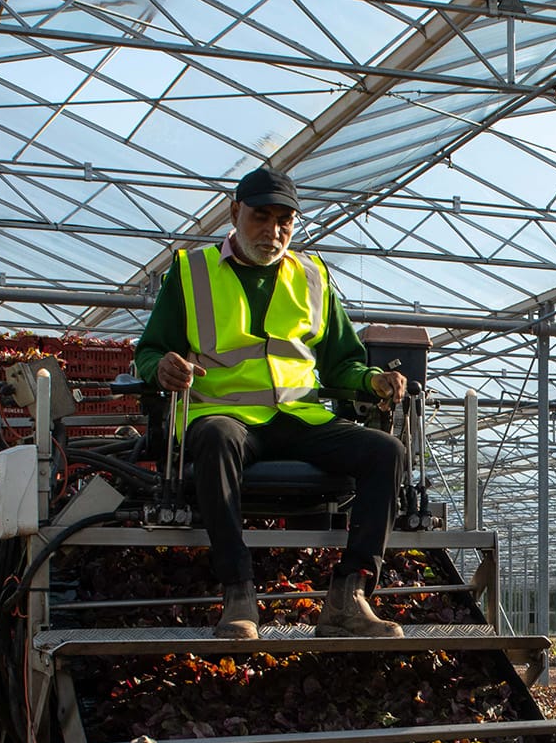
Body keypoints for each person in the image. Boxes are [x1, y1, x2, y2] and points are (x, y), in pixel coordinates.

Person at [134, 164, 410, 640]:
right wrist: (162, 368)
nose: (274, 230)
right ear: (235, 213)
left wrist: (373, 381)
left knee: (387, 451)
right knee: (218, 438)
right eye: (262, 217)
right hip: (222, 416)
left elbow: (342, 362)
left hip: (299, 417)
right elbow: (149, 350)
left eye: (285, 220)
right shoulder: (190, 271)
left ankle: (349, 595)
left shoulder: (312, 276)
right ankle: (239, 593)